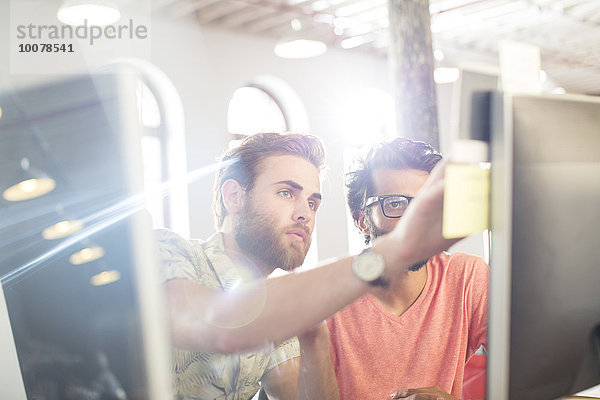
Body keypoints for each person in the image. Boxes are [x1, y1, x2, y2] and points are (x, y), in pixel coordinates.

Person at [154, 132, 459, 400]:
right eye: (286, 193)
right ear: (234, 196)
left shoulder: (278, 309)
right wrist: (394, 250)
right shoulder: (167, 250)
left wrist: (315, 335)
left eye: (313, 203)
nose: (305, 214)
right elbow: (212, 323)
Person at [326, 137, 489, 400]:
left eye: (423, 203)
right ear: (362, 221)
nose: (415, 221)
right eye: (394, 203)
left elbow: (528, 376)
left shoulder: (467, 277)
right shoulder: (329, 299)